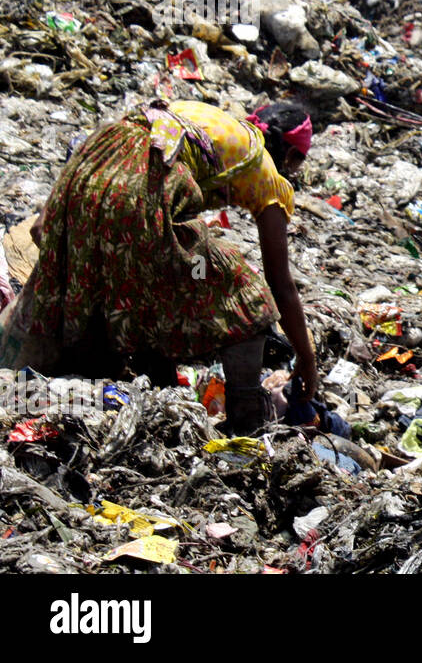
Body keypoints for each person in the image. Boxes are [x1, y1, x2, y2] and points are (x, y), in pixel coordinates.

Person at [0, 99, 318, 434]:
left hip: (95, 158)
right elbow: (280, 284)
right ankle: (247, 415)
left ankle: (154, 382)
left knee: (156, 276)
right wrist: (307, 362)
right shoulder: (265, 173)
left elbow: (40, 229)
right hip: (140, 185)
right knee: (247, 294)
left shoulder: (205, 116)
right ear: (292, 157)